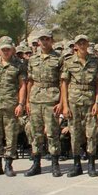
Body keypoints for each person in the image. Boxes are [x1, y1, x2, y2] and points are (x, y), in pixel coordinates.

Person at [0, 36, 26, 177]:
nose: (6, 52)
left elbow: (22, 86)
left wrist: (21, 103)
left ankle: (8, 164)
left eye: (8, 49)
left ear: (12, 49)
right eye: (3, 49)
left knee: (11, 135)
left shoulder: (19, 65)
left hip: (11, 105)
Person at [24, 29, 64, 177]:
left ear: (51, 40)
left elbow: (62, 82)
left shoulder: (59, 59)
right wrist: (27, 101)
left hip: (51, 97)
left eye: (47, 39)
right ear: (38, 42)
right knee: (36, 132)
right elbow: (29, 81)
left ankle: (55, 163)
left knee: (53, 132)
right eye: (42, 39)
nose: (44, 42)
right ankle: (36, 163)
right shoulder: (33, 59)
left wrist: (61, 102)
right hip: (35, 98)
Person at [61, 35, 98, 177]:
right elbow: (64, 84)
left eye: (85, 42)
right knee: (75, 134)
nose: (83, 45)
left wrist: (97, 102)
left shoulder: (95, 61)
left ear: (88, 44)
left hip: (90, 101)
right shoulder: (68, 61)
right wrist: (65, 106)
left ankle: (91, 164)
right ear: (76, 46)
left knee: (91, 133)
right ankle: (77, 165)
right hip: (74, 102)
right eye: (80, 43)